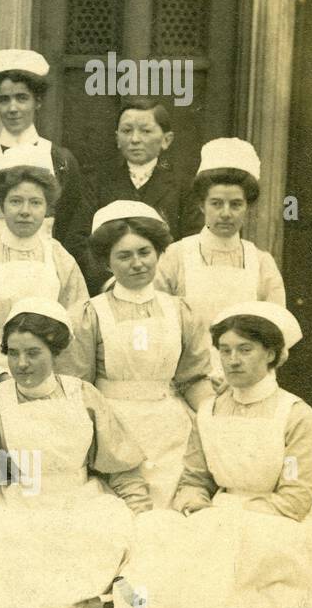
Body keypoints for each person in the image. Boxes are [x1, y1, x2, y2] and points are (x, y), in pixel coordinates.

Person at [115, 303, 312, 608]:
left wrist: (232, 514)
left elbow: (296, 497)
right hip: (219, 512)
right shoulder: (209, 411)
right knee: (155, 526)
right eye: (225, 350)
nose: (233, 360)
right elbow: (194, 478)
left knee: (232, 539)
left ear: (271, 354)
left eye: (245, 350)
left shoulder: (295, 416)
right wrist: (195, 504)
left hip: (279, 519)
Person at [0, 298, 151, 608]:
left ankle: (106, 604)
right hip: (20, 501)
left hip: (82, 499)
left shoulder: (82, 394)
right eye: (13, 353)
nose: (21, 363)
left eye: (33, 353)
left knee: (117, 539)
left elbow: (121, 466)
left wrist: (145, 517)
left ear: (54, 352)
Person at [61, 201, 213, 508]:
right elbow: (77, 389)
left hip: (171, 430)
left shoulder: (180, 311)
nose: (137, 263)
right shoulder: (89, 315)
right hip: (112, 432)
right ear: (107, 261)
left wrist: (214, 419)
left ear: (157, 252)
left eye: (145, 252)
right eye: (124, 256)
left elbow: (193, 378)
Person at [0, 143, 88, 383]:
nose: (25, 211)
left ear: (47, 208)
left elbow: (75, 328)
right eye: (16, 201)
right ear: (1, 205)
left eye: (35, 202)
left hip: (50, 373)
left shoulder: (60, 258)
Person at [156, 137, 285, 385]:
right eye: (216, 203)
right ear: (202, 206)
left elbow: (277, 333)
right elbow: (157, 323)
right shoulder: (176, 256)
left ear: (248, 207)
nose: (226, 213)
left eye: (235, 204)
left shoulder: (261, 263)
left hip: (250, 381)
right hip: (187, 380)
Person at [0, 49, 90, 277]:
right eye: (4, 99)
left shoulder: (60, 159)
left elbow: (74, 223)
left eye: (22, 98)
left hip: (49, 271)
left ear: (37, 101)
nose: (12, 108)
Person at [85, 98, 186, 293]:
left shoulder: (183, 186)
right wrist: (111, 281)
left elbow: (187, 243)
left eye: (146, 131)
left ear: (166, 140)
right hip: (108, 288)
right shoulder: (97, 182)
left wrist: (158, 281)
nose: (135, 139)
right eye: (127, 131)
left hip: (163, 288)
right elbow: (82, 241)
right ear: (117, 138)